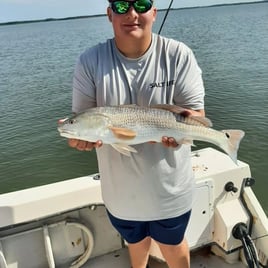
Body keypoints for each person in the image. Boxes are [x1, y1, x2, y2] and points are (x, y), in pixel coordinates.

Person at [68, 0, 205, 267]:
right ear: (109, 14)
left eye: (141, 4)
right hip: (120, 196)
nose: (132, 13)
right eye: (121, 6)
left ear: (154, 12)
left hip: (170, 193)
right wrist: (78, 136)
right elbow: (84, 121)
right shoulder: (89, 61)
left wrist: (181, 122)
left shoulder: (179, 54)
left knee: (173, 245)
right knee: (135, 242)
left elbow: (197, 116)